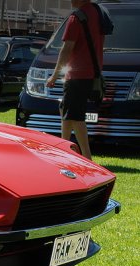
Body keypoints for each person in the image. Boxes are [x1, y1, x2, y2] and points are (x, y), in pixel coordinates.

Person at [45, 0, 105, 160]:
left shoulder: (76, 17)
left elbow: (66, 49)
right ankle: (63, 148)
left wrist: (55, 75)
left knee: (75, 116)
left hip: (77, 76)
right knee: (66, 109)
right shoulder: (98, 12)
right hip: (93, 73)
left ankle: (86, 157)